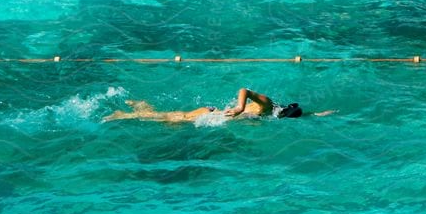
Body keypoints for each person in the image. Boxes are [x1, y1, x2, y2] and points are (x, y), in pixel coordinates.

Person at [103, 87, 311, 123]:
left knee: (166, 119)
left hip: (213, 115)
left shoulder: (274, 112)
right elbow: (244, 90)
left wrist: (322, 114)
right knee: (171, 119)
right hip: (210, 115)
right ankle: (123, 114)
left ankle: (140, 107)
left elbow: (306, 114)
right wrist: (239, 108)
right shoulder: (267, 105)